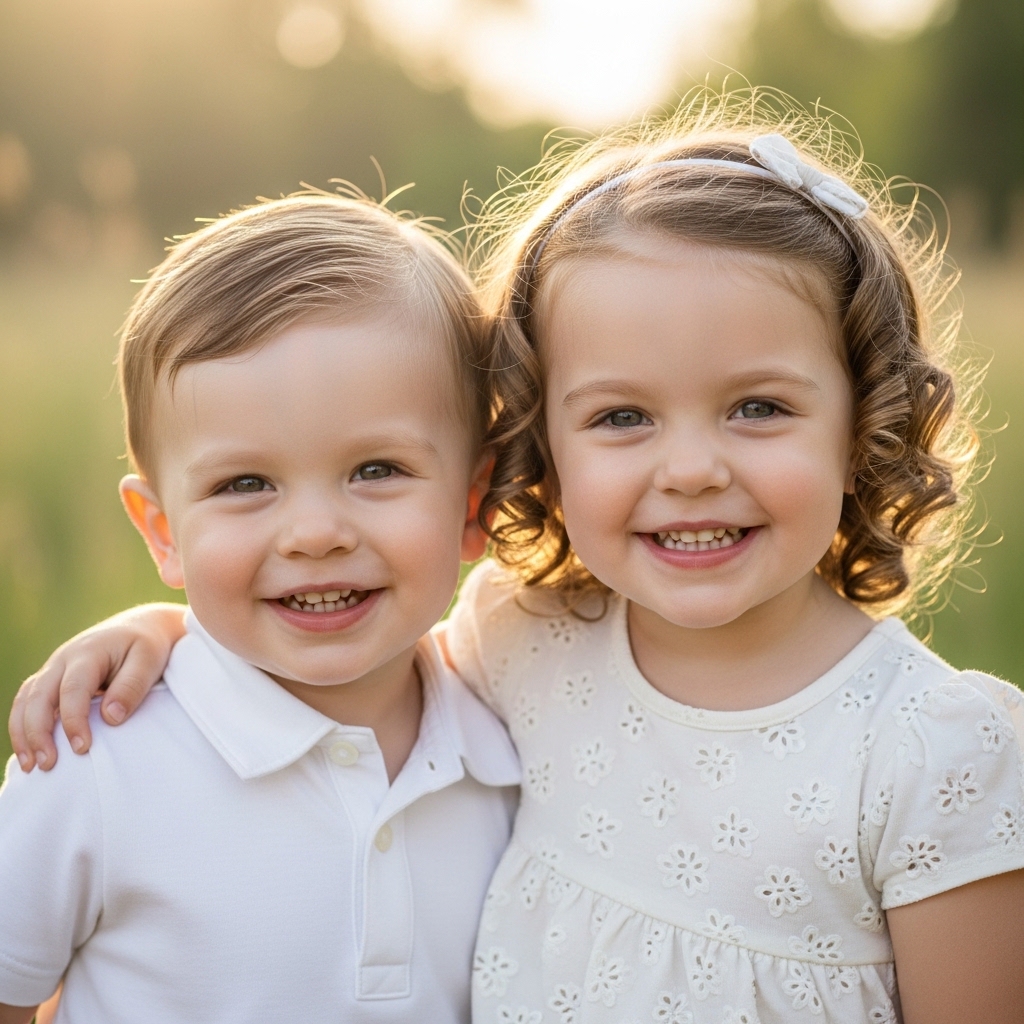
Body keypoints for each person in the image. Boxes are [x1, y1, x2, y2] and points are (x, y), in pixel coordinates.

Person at [10, 91, 1024, 1023]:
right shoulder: (523, 641)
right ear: (541, 452)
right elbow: (321, 650)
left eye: (758, 407)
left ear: (863, 421)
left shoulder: (939, 753)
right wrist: (160, 631)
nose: (690, 468)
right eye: (622, 415)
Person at [0, 192, 520, 1024]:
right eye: (245, 485)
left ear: (472, 504)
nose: (314, 533)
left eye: (377, 469)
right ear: (163, 534)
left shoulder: (508, 743)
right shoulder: (95, 760)